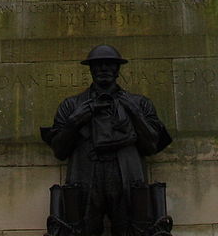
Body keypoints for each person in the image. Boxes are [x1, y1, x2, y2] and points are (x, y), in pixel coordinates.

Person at [41, 45, 172, 236]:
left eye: (109, 64)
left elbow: (151, 146)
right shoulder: (72, 105)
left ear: (118, 69)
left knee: (132, 230)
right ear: (90, 69)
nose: (103, 68)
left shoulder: (140, 103)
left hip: (125, 175)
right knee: (82, 229)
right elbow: (59, 151)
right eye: (97, 65)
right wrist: (75, 120)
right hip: (86, 175)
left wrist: (135, 114)